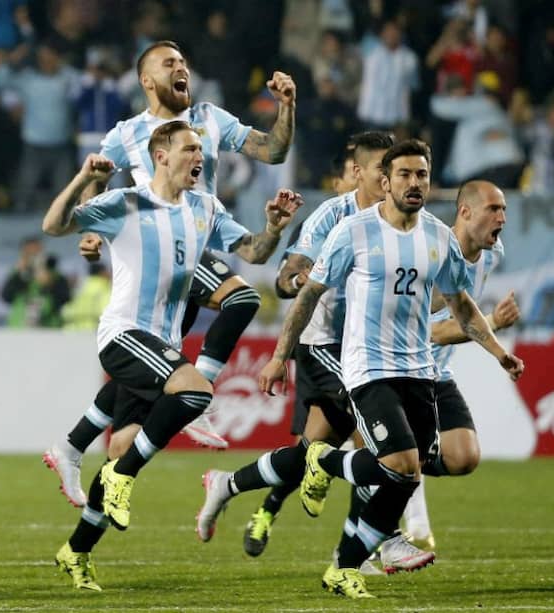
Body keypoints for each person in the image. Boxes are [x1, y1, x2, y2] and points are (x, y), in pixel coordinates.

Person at [257, 139, 524, 598]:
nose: (415, 183)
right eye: (405, 174)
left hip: (421, 371)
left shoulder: (438, 237)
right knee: (398, 464)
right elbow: (309, 294)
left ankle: (343, 565)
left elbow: (461, 305)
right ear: (385, 181)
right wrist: (281, 355)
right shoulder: (354, 231)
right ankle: (325, 462)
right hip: (366, 368)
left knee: (409, 472)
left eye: (422, 175)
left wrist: (499, 352)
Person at [42, 121, 301, 591]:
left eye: (201, 149)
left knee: (123, 446)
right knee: (196, 391)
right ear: (160, 156)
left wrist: (272, 229)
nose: (198, 157)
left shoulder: (205, 207)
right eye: (188, 148)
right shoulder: (127, 203)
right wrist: (82, 180)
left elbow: (254, 253)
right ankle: (116, 474)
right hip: (123, 334)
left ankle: (76, 551)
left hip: (162, 346)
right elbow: (54, 224)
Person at [42, 40, 296, 506]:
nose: (182, 68)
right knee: (241, 301)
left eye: (184, 62)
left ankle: (75, 448)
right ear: (146, 80)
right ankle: (198, 395)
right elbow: (98, 179)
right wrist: (93, 230)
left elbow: (273, 151)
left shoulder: (211, 118)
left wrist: (287, 108)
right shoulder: (128, 132)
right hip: (156, 247)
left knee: (135, 405)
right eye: (169, 63)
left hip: (199, 232)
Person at [196, 132, 394, 568]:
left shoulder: (398, 220)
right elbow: (288, 277)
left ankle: (229, 486)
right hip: (324, 343)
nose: (390, 176)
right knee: (379, 442)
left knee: (312, 450)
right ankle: (372, 545)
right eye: (383, 167)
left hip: (372, 347)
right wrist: (296, 283)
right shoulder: (330, 217)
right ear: (356, 172)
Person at [401, 180, 520, 548]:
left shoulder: (492, 253)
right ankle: (401, 511)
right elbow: (429, 333)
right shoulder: (431, 254)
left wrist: (499, 351)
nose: (502, 217)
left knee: (463, 457)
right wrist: (494, 325)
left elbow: (462, 319)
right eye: (493, 209)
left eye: (503, 209)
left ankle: (391, 467)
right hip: (401, 369)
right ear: (465, 212)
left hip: (439, 371)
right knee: (402, 455)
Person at [0, 236, 71, 328]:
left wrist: (49, 284)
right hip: (20, 327)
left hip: (49, 327)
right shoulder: (16, 274)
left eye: (37, 252)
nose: (34, 256)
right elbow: (6, 296)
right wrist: (19, 275)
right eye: (29, 253)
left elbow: (65, 298)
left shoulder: (55, 275)